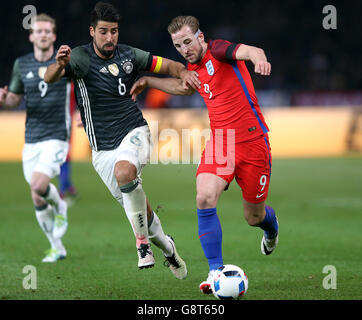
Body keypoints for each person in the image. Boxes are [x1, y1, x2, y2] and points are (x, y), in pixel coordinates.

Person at [44, 2, 200, 279]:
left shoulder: (129, 55)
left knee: (125, 172)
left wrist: (184, 72)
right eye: (103, 32)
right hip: (102, 150)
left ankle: (141, 246)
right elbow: (50, 77)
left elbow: (168, 65)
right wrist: (58, 65)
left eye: (114, 31)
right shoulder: (79, 58)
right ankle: (167, 247)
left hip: (134, 131)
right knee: (141, 211)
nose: (109, 38)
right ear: (92, 31)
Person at [130, 15, 279, 293]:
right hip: (221, 142)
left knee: (253, 217)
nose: (184, 48)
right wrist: (149, 81)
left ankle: (271, 228)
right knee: (204, 196)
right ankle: (215, 272)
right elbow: (182, 88)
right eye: (178, 45)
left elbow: (248, 51)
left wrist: (259, 59)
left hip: (253, 142)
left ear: (200, 37)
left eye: (188, 41)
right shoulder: (192, 67)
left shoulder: (219, 50)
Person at [0, 14, 70, 262]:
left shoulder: (63, 62)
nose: (42, 34)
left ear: (53, 36)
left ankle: (61, 206)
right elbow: (14, 99)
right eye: (38, 31)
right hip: (31, 138)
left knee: (39, 185)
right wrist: (4, 99)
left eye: (47, 31)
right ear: (31, 36)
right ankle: (56, 246)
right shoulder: (22, 64)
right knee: (36, 194)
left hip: (57, 134)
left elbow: (83, 88)